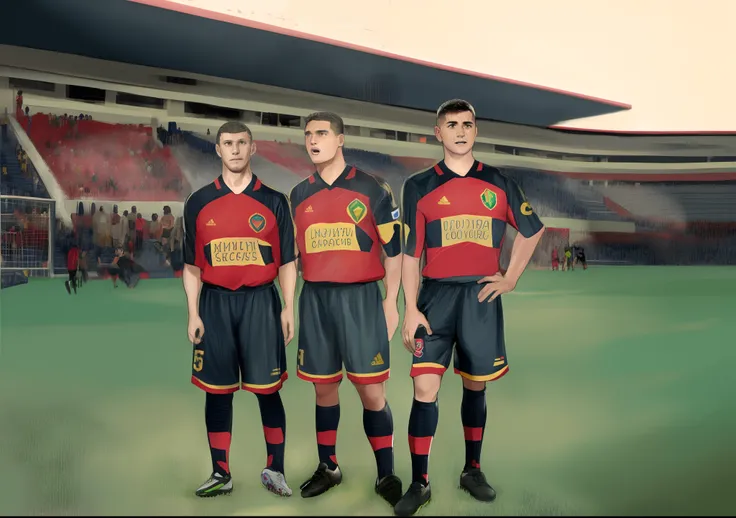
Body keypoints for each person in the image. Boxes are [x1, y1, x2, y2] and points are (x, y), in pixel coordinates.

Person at [395, 99, 546, 516]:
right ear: (437, 133)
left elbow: (532, 231)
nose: (460, 131)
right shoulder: (419, 185)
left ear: (475, 131)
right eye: (451, 125)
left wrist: (511, 277)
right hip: (435, 298)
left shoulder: (498, 181)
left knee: (475, 384)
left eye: (467, 124)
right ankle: (420, 482)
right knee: (424, 387)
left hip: (480, 298)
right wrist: (411, 309)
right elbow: (411, 254)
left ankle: (472, 470)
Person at [289, 112, 403, 506]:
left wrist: (391, 303)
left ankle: (386, 473)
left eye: (321, 133)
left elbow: (394, 253)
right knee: (324, 389)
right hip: (316, 300)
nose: (313, 140)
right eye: (308, 135)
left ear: (340, 140)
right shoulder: (298, 195)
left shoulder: (373, 188)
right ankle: (329, 467)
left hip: (361, 299)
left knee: (371, 392)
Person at [182, 121, 297, 499]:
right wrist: (193, 313)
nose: (234, 149)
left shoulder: (275, 201)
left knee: (268, 390)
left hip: (261, 303)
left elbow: (286, 263)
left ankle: (275, 469)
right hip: (214, 304)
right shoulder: (198, 202)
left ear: (253, 148)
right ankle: (221, 472)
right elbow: (192, 266)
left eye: (241, 143)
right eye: (227, 143)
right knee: (217, 392)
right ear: (218, 149)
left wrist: (288, 307)